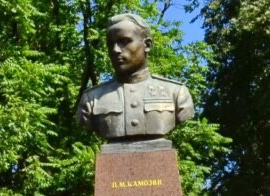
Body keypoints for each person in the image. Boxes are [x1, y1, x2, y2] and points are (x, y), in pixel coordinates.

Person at [75, 13, 193, 142]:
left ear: (147, 45)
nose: (115, 50)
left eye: (124, 42)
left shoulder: (176, 93)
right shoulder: (91, 99)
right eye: (110, 44)